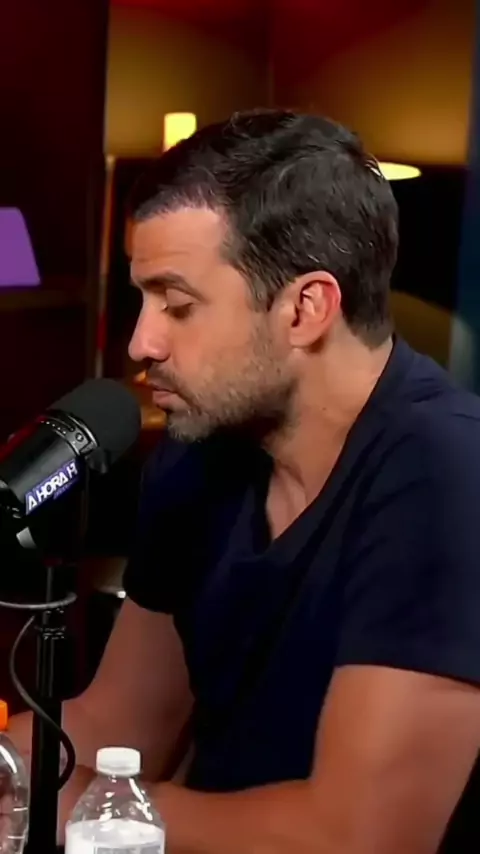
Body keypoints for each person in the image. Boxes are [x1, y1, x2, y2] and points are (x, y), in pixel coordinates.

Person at [9, 109, 480, 853]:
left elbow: (359, 838)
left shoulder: (446, 475)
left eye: (178, 305)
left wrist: (79, 808)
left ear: (305, 309)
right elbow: (115, 727)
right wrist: (12, 772)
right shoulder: (199, 456)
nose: (141, 342)